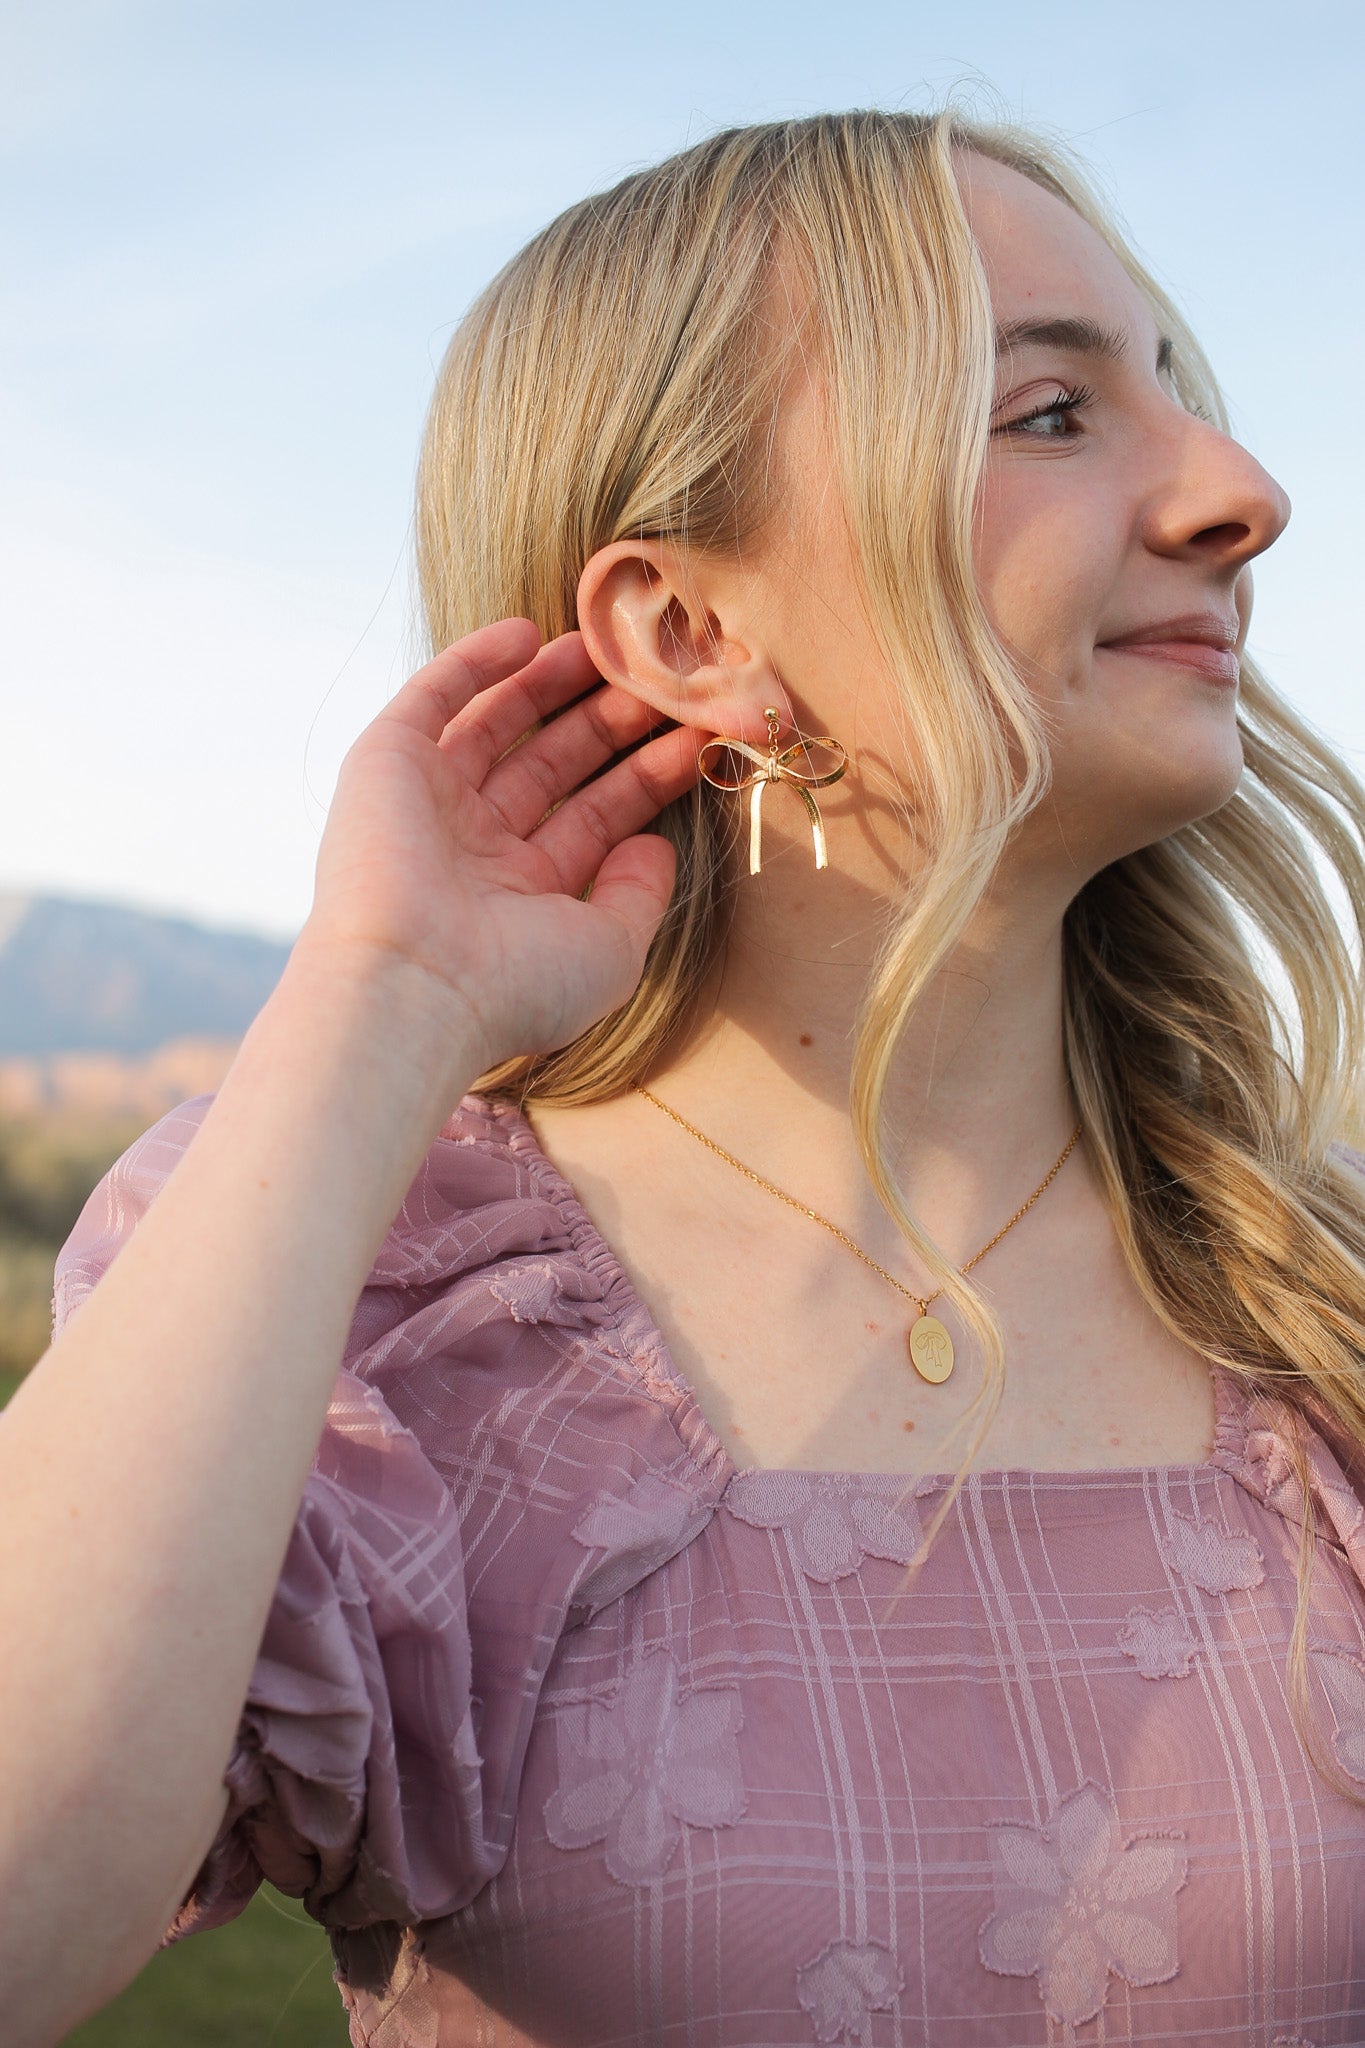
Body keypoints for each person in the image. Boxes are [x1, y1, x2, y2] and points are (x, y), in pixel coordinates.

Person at [4, 98, 1365, 2048]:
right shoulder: (405, 1330)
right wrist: (382, 991)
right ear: (687, 629)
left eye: (1174, 389)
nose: (1238, 489)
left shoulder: (1311, 1304)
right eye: (1049, 416)